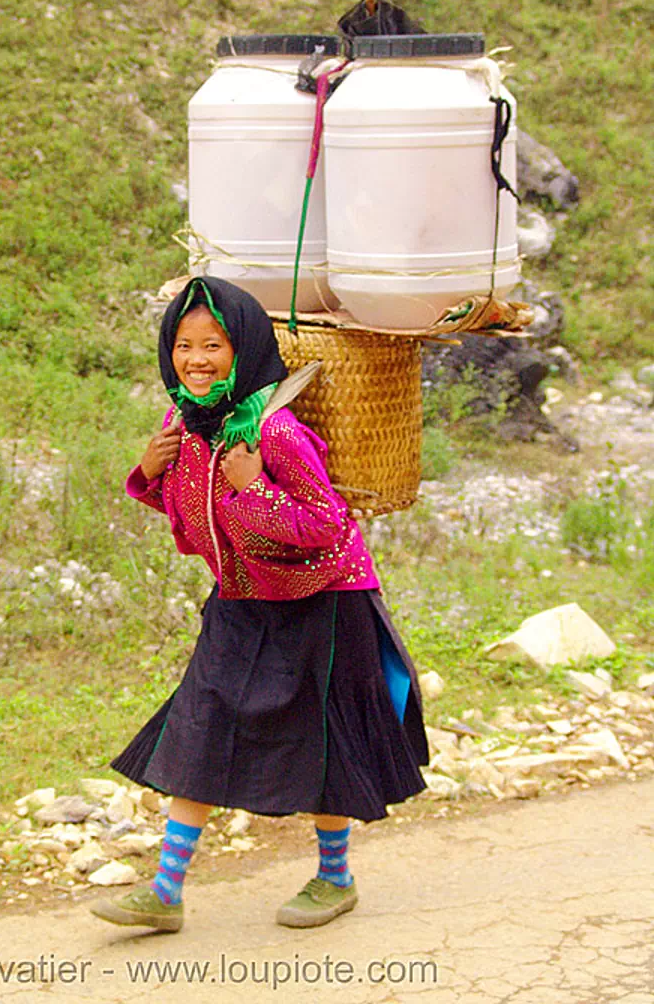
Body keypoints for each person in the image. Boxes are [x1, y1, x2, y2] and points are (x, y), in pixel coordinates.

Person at [91, 276, 428, 934]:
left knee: (323, 738)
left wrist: (253, 489)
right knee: (203, 719)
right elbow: (200, 518)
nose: (195, 359)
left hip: (325, 599)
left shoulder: (273, 433)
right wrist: (151, 472)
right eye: (183, 345)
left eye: (212, 344)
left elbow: (327, 525)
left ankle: (335, 879)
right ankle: (164, 891)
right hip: (244, 595)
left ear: (242, 348)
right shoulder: (183, 425)